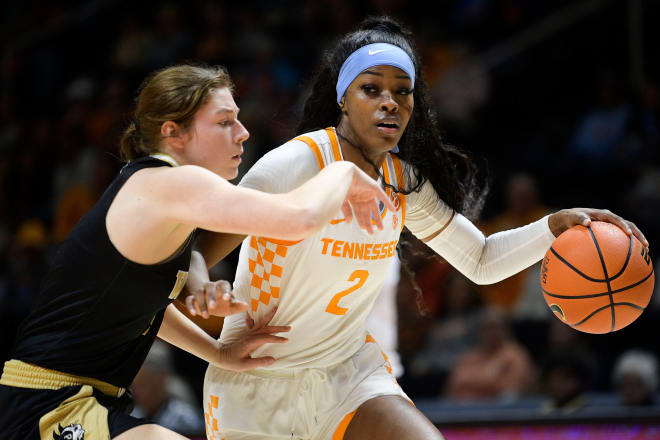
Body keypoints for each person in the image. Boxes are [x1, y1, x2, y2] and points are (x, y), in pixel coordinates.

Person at [196, 17, 649, 440]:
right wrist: (213, 343)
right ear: (342, 98)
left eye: (402, 91)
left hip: (346, 372)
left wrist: (555, 225)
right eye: (371, 89)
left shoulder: (402, 182)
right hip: (258, 382)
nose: (390, 101)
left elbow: (482, 259)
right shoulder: (295, 165)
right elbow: (186, 258)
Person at [0, 64, 393, 440]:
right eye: (224, 122)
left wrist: (218, 354)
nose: (242, 133)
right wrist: (343, 172)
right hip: (48, 403)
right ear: (175, 132)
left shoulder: (156, 190)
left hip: (85, 398)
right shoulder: (171, 183)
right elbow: (301, 218)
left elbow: (148, 305)